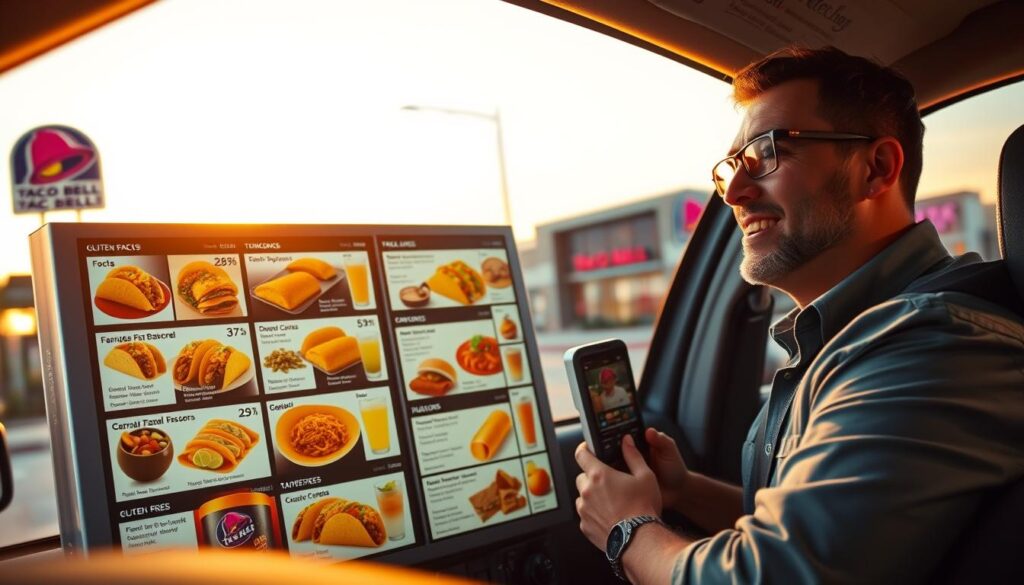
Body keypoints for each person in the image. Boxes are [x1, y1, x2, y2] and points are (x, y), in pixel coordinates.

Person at [574, 46, 1024, 584]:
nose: (735, 193)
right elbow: (829, 528)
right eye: (731, 168)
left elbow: (780, 574)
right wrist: (685, 491)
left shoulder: (935, 345)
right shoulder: (853, 337)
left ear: (876, 169)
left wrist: (628, 529)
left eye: (766, 153)